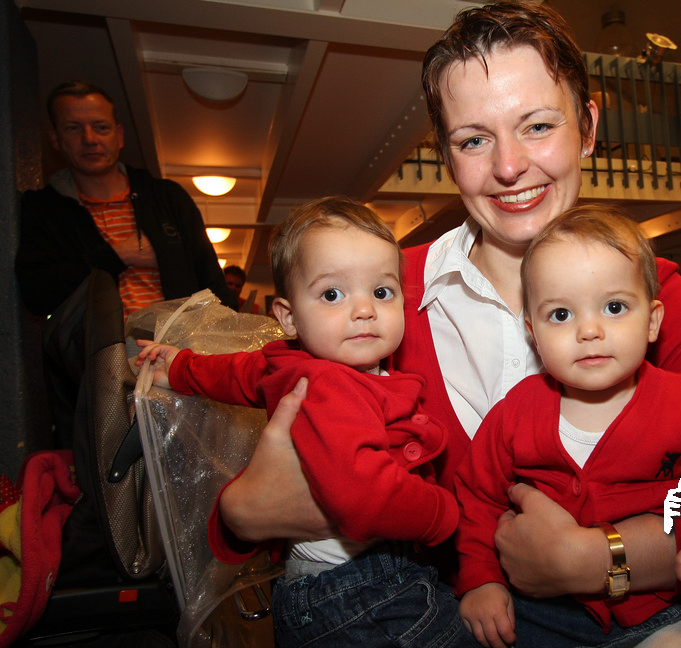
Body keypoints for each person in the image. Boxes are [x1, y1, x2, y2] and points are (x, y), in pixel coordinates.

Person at [213, 3, 681, 645]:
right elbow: (281, 458)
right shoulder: (378, 298)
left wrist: (601, 558)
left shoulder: (656, 296)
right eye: (473, 140)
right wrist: (240, 517)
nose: (509, 166)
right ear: (445, 155)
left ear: (587, 128)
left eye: (537, 126)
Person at [454, 206, 681, 648]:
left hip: (661, 609)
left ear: (652, 322)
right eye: (561, 315)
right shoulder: (514, 414)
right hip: (538, 613)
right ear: (533, 332)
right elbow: (477, 498)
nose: (589, 330)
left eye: (614, 307)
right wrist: (481, 580)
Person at [137, 197, 475, 647]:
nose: (364, 310)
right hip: (363, 591)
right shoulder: (332, 385)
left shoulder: (291, 365)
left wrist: (180, 368)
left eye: (382, 292)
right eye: (332, 294)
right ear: (289, 317)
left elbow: (236, 372)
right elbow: (365, 497)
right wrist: (444, 516)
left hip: (322, 588)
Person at [15, 81, 237, 319]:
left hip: (178, 341)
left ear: (119, 136)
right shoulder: (43, 209)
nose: (89, 139)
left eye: (101, 127)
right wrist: (116, 255)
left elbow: (213, 284)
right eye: (73, 128)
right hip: (96, 343)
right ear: (55, 138)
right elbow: (37, 295)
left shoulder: (166, 197)